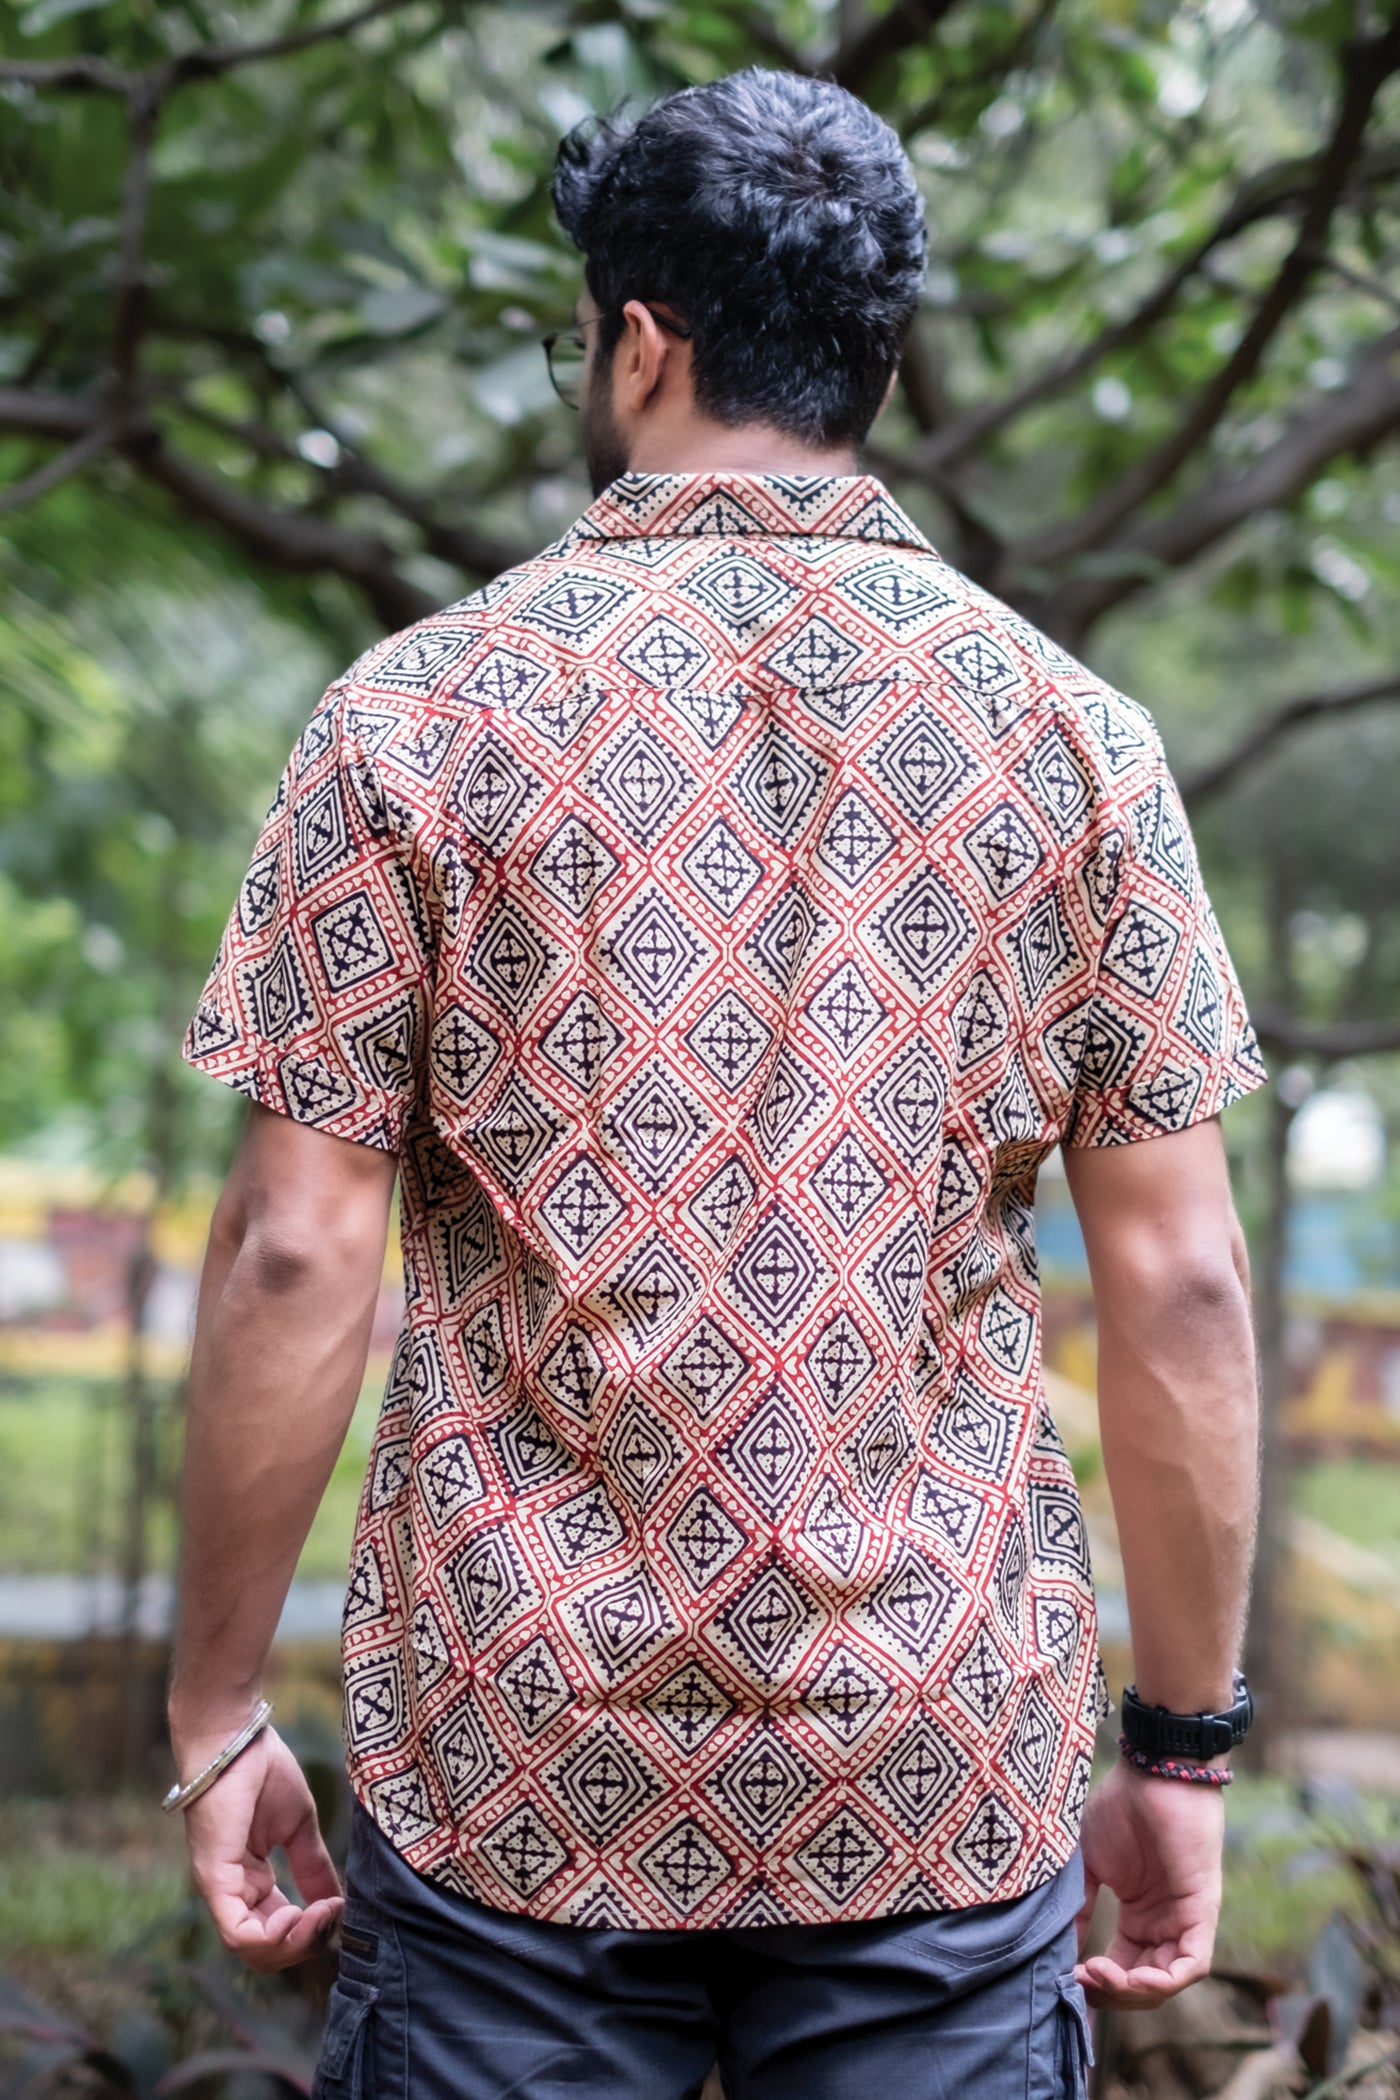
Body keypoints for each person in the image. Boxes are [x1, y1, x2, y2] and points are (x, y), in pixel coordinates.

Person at [166, 66, 1265, 2100]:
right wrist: (1183, 1752)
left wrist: (218, 1715)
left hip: (519, 1761)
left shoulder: (417, 719)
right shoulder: (1071, 739)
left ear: (641, 339)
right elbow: (1182, 1280)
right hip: (933, 1760)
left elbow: (295, 1263)